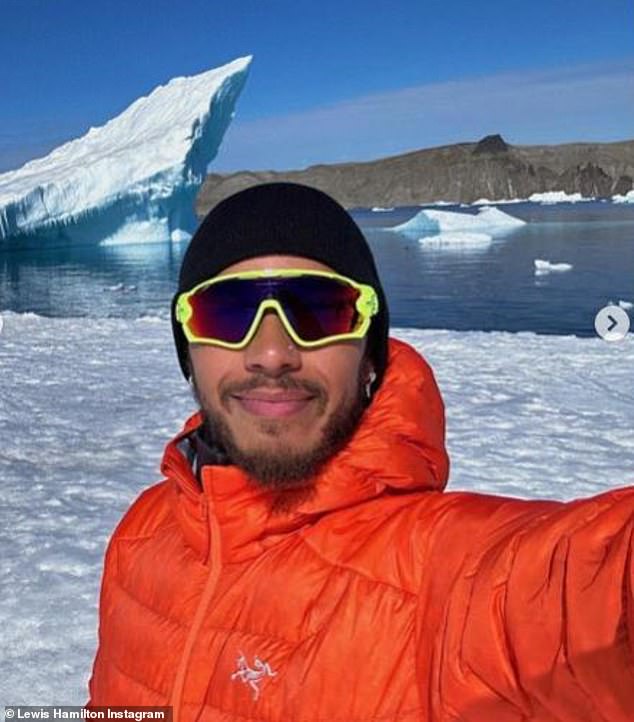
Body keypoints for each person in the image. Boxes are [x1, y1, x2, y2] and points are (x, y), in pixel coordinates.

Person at [87, 183, 634, 722]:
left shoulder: (442, 578)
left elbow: (585, 589)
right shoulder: (143, 535)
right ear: (190, 354)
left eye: (321, 311)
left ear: (369, 357)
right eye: (227, 314)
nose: (273, 354)